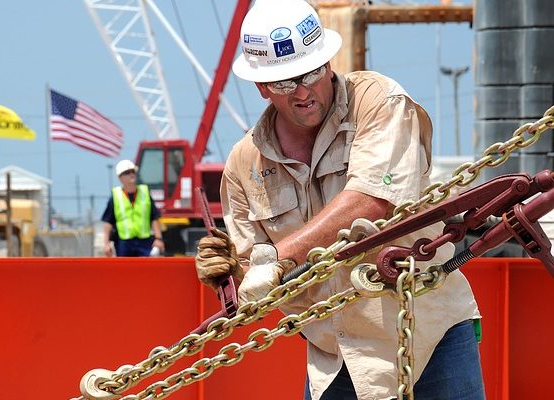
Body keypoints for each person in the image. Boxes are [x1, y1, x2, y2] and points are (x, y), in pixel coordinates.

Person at [195, 1, 483, 399]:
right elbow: (254, 279)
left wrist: (277, 258)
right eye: (283, 83)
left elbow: (371, 201)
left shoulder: (378, 102)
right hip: (337, 358)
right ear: (261, 88)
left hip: (430, 337)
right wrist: (228, 273)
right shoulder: (244, 166)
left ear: (328, 62)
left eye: (311, 72)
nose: (302, 92)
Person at [102, 159, 165, 257]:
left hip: (144, 242)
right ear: (120, 177)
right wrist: (106, 244)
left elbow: (154, 217)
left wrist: (158, 238)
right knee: (125, 271)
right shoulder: (116, 196)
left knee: (145, 271)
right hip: (123, 243)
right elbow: (108, 222)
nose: (131, 174)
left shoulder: (145, 192)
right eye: (127, 172)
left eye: (133, 171)